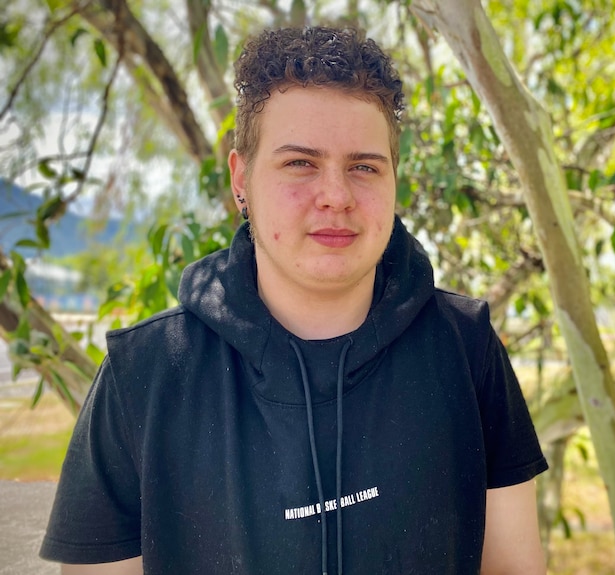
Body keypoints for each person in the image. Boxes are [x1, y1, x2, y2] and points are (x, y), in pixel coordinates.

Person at [40, 26, 548, 575]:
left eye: (364, 166)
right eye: (300, 163)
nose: (336, 195)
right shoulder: (144, 374)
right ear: (241, 179)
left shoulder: (468, 350)